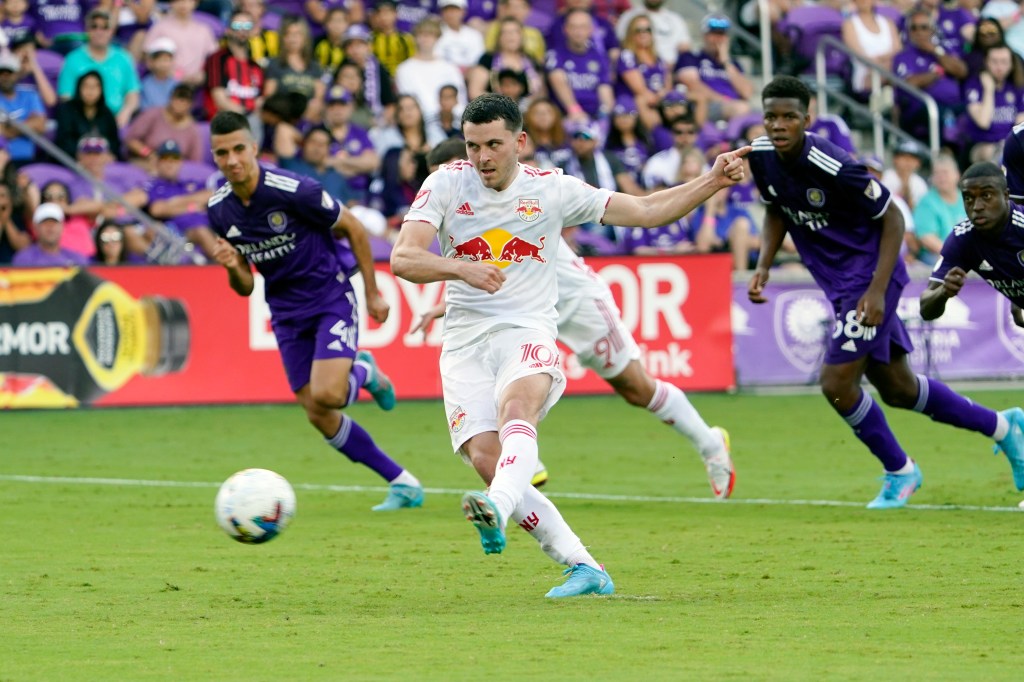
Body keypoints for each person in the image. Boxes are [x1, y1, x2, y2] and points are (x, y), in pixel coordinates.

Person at [390, 94, 747, 596]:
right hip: (466, 340)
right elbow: (403, 258)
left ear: (520, 142)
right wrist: (459, 271)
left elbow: (646, 210)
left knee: (546, 403)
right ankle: (584, 566)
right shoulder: (445, 182)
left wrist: (712, 180)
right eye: (473, 146)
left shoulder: (552, 189)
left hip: (542, 317)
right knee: (487, 458)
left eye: (493, 145)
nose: (482, 157)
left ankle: (497, 506)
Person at [747, 76, 1024, 508]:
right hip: (839, 281)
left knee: (836, 382)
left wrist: (877, 290)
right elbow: (777, 208)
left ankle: (900, 470)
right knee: (898, 388)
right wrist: (764, 264)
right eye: (770, 117)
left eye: (789, 117)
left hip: (870, 275)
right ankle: (1005, 428)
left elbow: (893, 216)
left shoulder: (832, 163)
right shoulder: (761, 155)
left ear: (808, 119)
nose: (778, 125)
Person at [412, 135, 736, 499]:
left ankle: (710, 443)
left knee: (635, 387)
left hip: (574, 301)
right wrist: (448, 303)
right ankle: (520, 467)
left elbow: (644, 210)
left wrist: (711, 181)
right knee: (501, 381)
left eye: (451, 170)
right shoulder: (453, 201)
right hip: (519, 317)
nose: (446, 182)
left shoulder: (534, 189)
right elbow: (478, 264)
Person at [205, 110, 424, 512]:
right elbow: (246, 287)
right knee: (317, 413)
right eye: (222, 153)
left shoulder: (294, 189)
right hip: (284, 312)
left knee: (329, 395)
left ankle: (364, 371)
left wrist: (372, 293)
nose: (232, 160)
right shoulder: (219, 210)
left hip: (329, 297)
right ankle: (402, 483)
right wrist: (233, 266)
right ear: (214, 157)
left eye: (238, 149)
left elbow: (353, 226)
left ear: (253, 147)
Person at [920, 162, 1024, 332]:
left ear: (1006, 196)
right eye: (968, 198)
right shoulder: (962, 240)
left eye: (986, 196)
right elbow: (926, 309)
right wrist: (944, 291)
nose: (977, 207)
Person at [12, 202, 89, 267]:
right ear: (35, 227)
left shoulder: (77, 260)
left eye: (54, 222)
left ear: (62, 226)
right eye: (45, 222)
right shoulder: (24, 259)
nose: (50, 227)